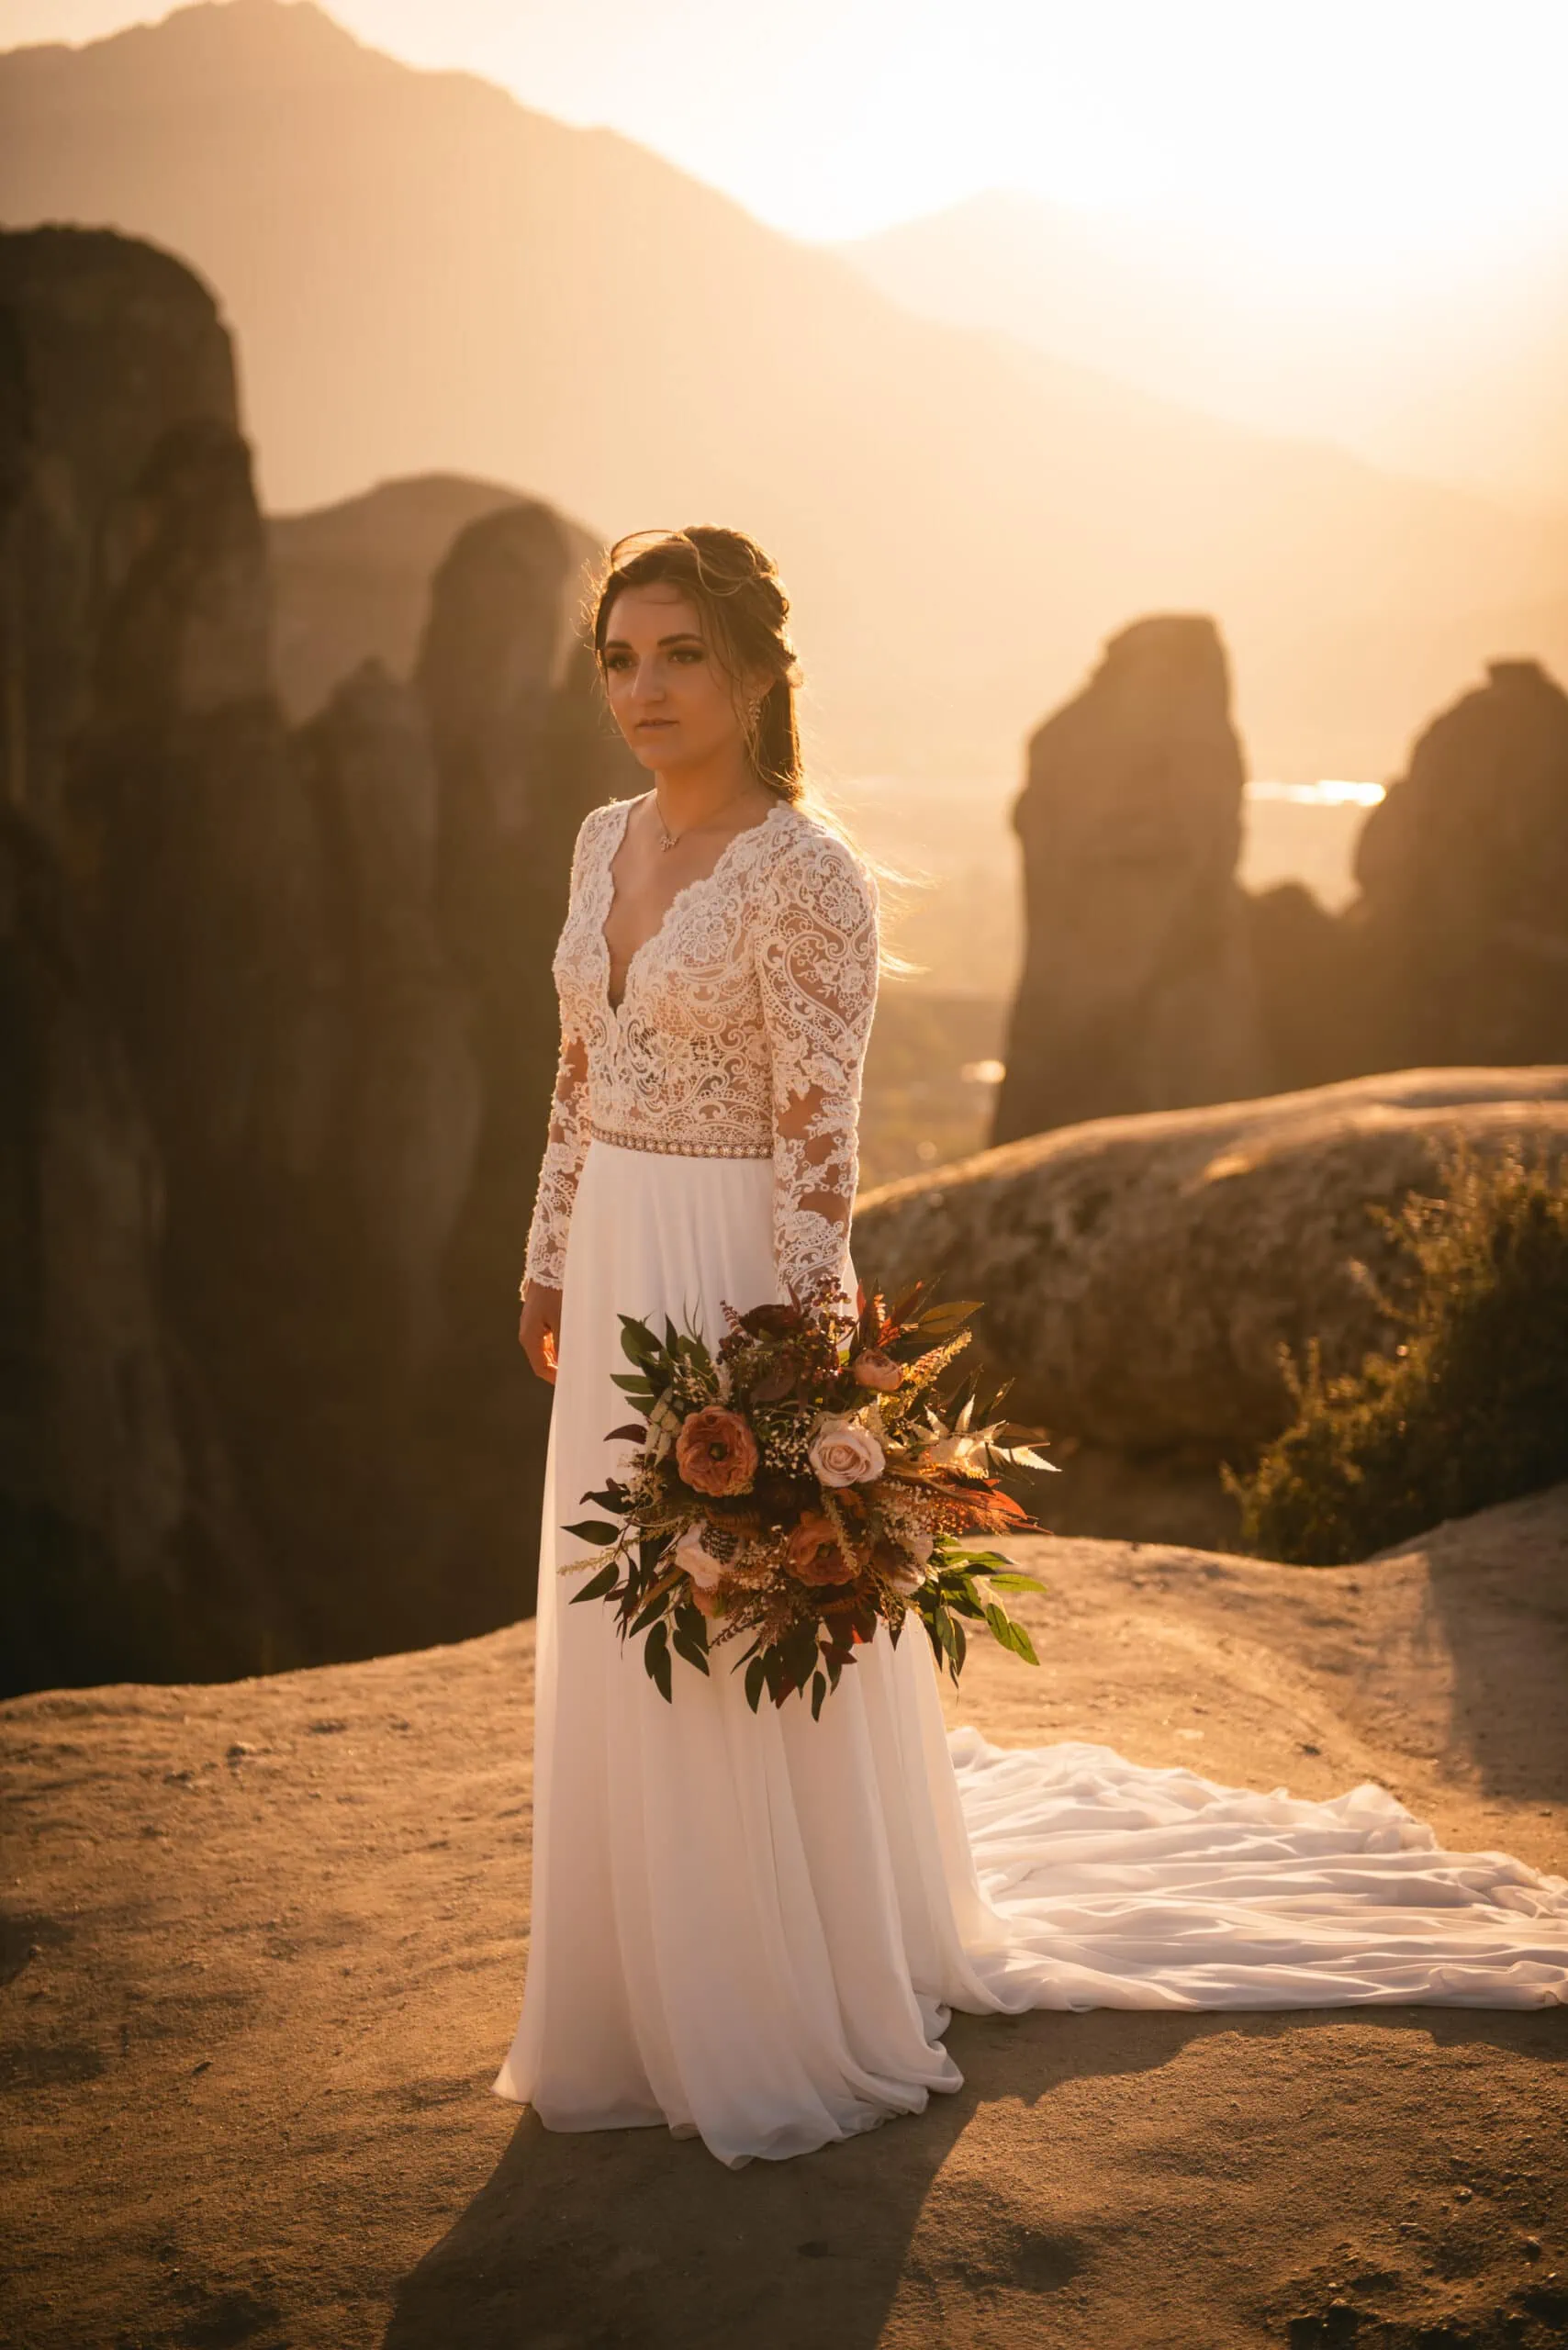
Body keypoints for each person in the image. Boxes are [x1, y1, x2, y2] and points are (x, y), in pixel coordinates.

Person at [494, 526, 1568, 2171]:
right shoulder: (597, 842)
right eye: (621, 657)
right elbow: (578, 1072)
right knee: (617, 1611)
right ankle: (626, 1989)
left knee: (731, 1607)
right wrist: (549, 1254)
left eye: (681, 654)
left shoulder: (806, 875)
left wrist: (799, 1376)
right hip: (619, 1250)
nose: (644, 689)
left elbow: (819, 1146)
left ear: (760, 671)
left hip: (730, 1280)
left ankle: (773, 1987)